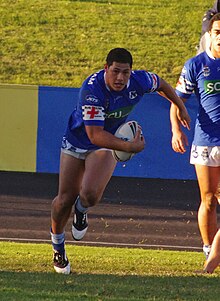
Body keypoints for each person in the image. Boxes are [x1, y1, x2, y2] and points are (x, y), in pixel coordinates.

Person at [51, 47, 191, 274]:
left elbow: (162, 84)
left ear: (131, 72)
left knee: (90, 195)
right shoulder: (92, 89)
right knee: (63, 199)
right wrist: (130, 147)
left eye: (125, 72)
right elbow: (94, 135)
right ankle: (58, 248)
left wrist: (180, 106)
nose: (120, 78)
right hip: (79, 139)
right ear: (106, 68)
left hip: (107, 143)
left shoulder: (139, 81)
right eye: (115, 71)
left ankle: (82, 209)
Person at [170, 14, 220, 262]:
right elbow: (177, 100)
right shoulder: (196, 65)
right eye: (217, 32)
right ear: (209, 35)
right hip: (205, 141)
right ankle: (208, 247)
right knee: (208, 199)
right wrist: (176, 130)